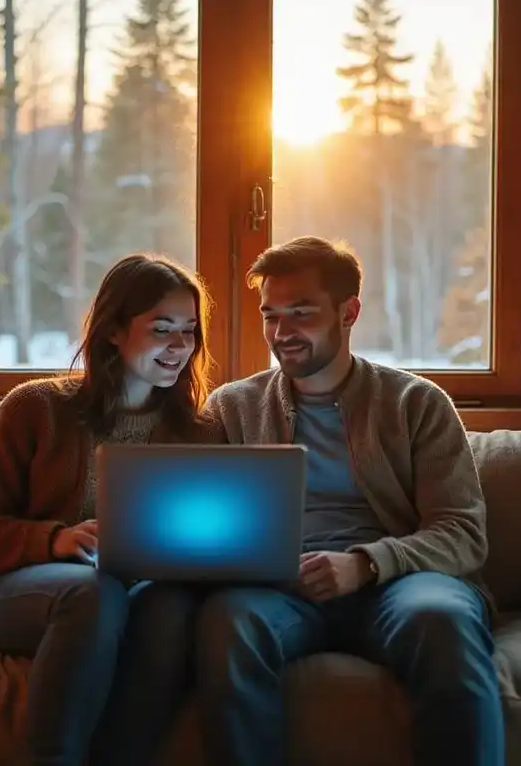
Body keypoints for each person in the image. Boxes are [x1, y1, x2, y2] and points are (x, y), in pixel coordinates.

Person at [197, 235, 504, 765]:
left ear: (349, 312)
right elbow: (202, 521)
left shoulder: (416, 403)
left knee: (442, 619)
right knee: (229, 622)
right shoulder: (231, 408)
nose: (281, 332)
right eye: (271, 315)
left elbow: (462, 533)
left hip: (400, 584)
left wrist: (365, 564)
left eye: (301, 313)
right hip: (281, 591)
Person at [0, 253, 219, 766]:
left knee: (169, 608)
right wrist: (55, 540)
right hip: (23, 590)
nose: (180, 346)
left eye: (189, 331)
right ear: (114, 330)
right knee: (94, 592)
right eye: (162, 329)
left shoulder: (199, 430)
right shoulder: (36, 408)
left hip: (139, 592)